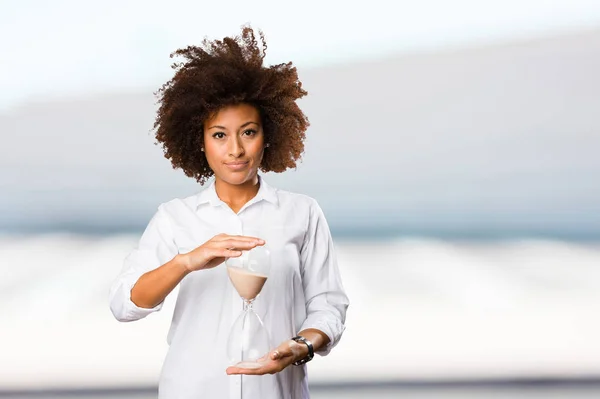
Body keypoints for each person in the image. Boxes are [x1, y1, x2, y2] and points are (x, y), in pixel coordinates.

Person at [109, 26, 349, 399]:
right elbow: (126, 304)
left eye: (248, 132)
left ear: (268, 135)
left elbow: (329, 304)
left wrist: (301, 346)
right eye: (219, 134)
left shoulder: (302, 213)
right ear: (198, 140)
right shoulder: (175, 217)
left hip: (276, 391)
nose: (235, 149)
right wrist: (187, 261)